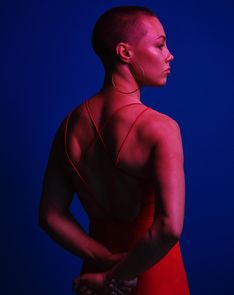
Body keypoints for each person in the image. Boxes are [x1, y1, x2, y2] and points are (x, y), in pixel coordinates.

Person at [38, 5, 190, 295]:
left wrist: (105, 263)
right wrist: (118, 274)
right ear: (125, 53)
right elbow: (169, 228)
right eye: (160, 45)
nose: (169, 54)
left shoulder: (69, 126)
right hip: (149, 273)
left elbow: (50, 216)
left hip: (97, 273)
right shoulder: (161, 128)